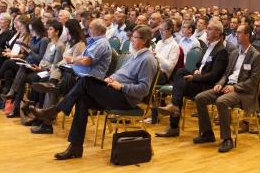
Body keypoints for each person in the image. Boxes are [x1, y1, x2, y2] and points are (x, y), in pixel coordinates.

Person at [31, 26, 157, 160]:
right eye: (132, 37)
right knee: (82, 99)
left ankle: (54, 111)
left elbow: (143, 89)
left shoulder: (148, 60)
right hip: (115, 91)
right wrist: (111, 78)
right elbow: (121, 74)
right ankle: (75, 147)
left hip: (125, 99)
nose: (131, 40)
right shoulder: (134, 55)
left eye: (135, 38)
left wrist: (121, 86)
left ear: (144, 40)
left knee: (85, 81)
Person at [193, 23, 260, 153]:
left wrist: (235, 87)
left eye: (239, 33)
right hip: (227, 87)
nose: (236, 35)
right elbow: (226, 73)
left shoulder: (256, 56)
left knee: (221, 101)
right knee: (200, 98)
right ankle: (208, 133)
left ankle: (227, 139)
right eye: (236, 32)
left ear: (247, 35)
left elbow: (253, 81)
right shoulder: (235, 53)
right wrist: (220, 83)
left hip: (243, 92)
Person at [155, 20, 228, 138]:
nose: (206, 31)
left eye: (209, 29)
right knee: (180, 72)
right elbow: (198, 64)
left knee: (179, 87)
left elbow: (214, 76)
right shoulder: (208, 47)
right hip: (199, 80)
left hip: (207, 86)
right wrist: (195, 71)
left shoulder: (221, 51)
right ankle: (174, 108)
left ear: (218, 33)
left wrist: (195, 77)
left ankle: (173, 125)